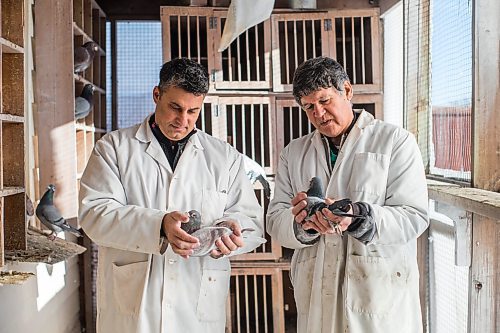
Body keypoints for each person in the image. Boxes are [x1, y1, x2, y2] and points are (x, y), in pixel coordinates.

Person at [79, 58, 263, 333]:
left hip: (197, 305)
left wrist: (231, 229)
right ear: (157, 95)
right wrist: (159, 226)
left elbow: (251, 220)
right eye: (175, 107)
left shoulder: (224, 157)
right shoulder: (114, 149)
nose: (183, 120)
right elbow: (94, 214)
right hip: (135, 307)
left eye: (193, 111)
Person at [266, 56, 429, 333]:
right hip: (318, 291)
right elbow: (275, 219)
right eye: (309, 107)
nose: (318, 113)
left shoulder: (395, 142)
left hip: (377, 293)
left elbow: (414, 216)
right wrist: (301, 224)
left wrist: (358, 218)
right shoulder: (293, 153)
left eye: (325, 100)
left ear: (347, 91)